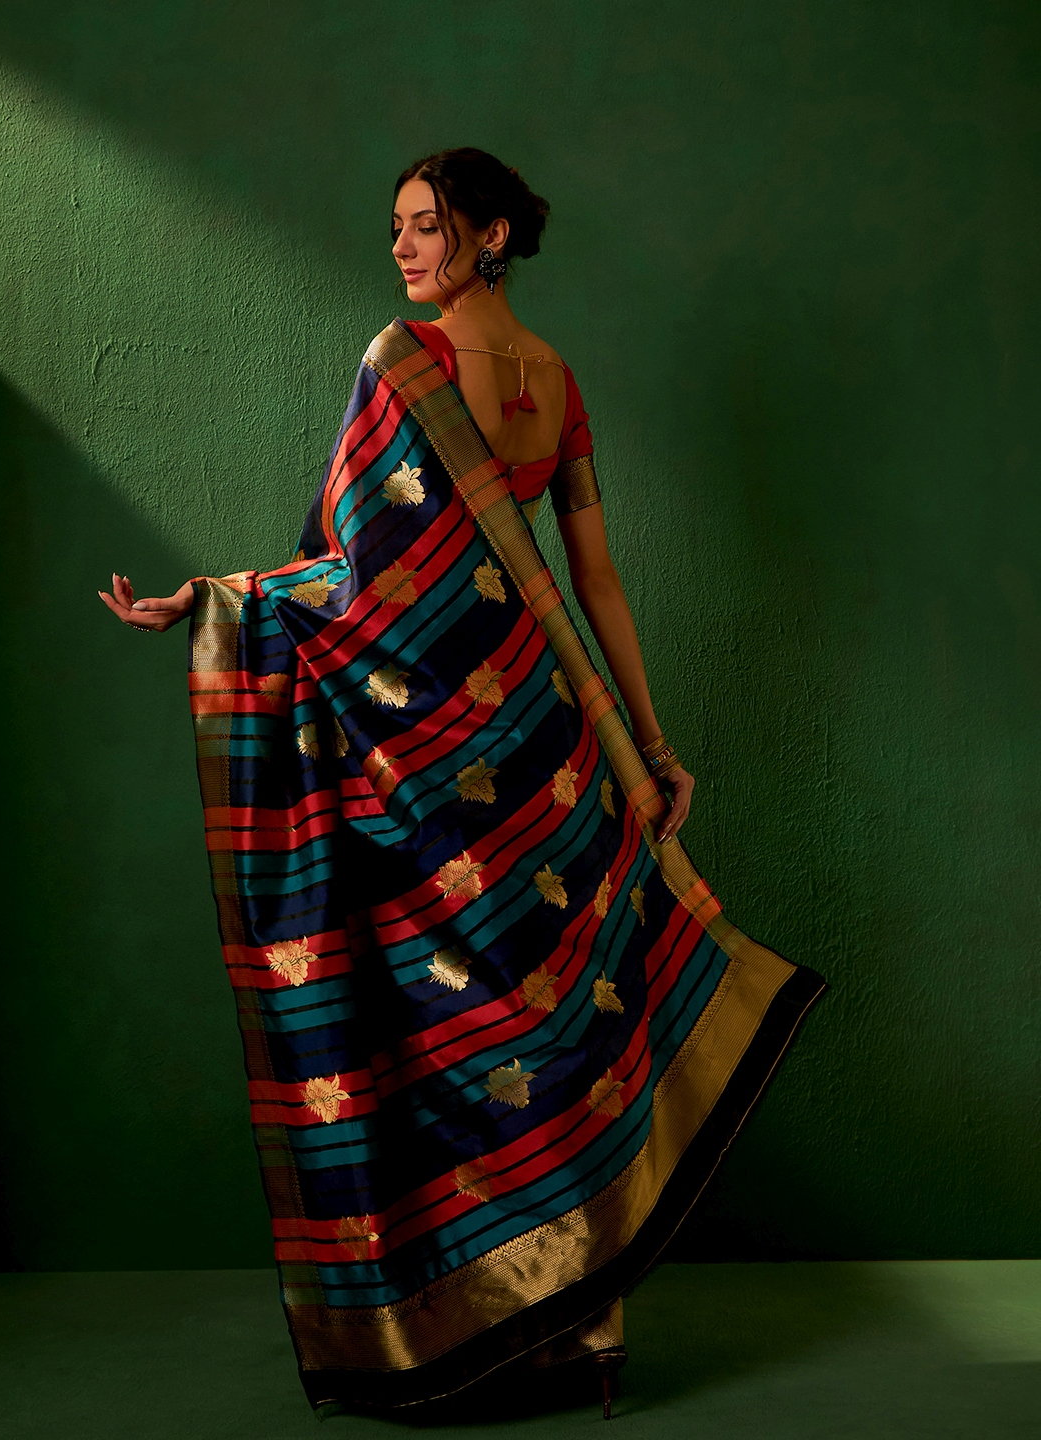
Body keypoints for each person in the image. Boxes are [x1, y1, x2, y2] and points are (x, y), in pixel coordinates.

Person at [100, 148, 824, 1418]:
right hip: (547, 740)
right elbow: (594, 584)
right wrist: (648, 749)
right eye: (396, 226)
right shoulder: (557, 381)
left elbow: (354, 576)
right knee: (550, 1020)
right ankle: (581, 1330)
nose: (401, 247)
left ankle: (487, 1323)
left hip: (430, 750)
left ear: (490, 235)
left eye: (426, 226)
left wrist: (217, 602)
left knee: (447, 1023)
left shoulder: (406, 364)